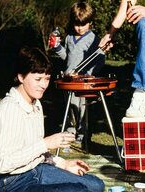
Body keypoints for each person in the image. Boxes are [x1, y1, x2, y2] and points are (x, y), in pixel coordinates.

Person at [0, 46, 105, 192]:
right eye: (38, 79)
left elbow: (35, 152)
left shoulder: (35, 103)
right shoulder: (9, 109)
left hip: (35, 170)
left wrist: (64, 164)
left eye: (46, 79)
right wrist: (45, 143)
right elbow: (2, 164)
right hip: (10, 186)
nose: (43, 85)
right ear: (20, 77)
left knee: (96, 186)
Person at [51, 1, 105, 140]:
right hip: (68, 78)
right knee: (70, 106)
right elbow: (67, 57)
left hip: (83, 81)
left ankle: (84, 132)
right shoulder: (69, 37)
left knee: (82, 108)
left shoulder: (93, 39)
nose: (80, 28)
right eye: (77, 24)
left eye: (83, 24)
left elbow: (100, 59)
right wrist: (57, 48)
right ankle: (70, 130)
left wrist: (88, 74)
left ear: (90, 22)